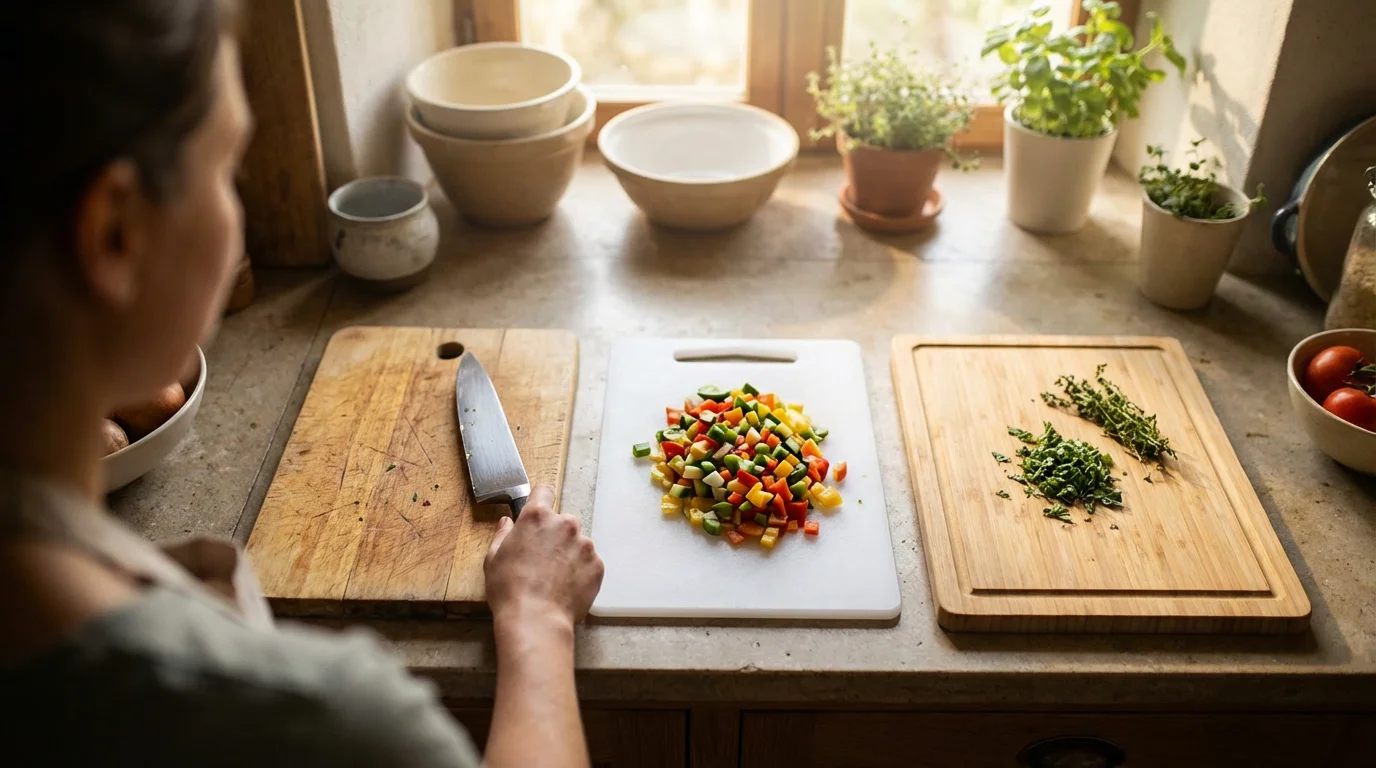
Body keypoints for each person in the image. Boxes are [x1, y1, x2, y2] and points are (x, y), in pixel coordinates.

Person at [0, 2, 604, 765]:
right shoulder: (326, 723)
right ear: (115, 235)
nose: (238, 210)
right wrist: (537, 617)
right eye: (227, 168)